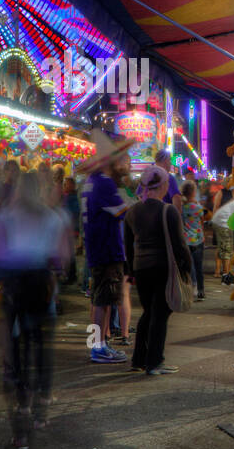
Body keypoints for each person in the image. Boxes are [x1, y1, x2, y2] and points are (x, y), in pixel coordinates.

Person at [0, 169, 71, 448]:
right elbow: (62, 257)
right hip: (41, 284)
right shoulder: (52, 217)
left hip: (13, 285)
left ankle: (21, 411)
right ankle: (40, 408)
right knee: (41, 345)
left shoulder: (5, 216)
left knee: (14, 348)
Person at [123, 166, 192, 375]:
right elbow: (180, 245)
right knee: (160, 314)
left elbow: (127, 244)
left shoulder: (132, 211)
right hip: (163, 268)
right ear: (163, 185)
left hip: (140, 269)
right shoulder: (168, 210)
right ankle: (154, 362)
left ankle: (139, 358)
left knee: (149, 312)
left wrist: (131, 271)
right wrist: (187, 269)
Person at [79, 132, 135, 363]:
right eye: (122, 160)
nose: (125, 164)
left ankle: (99, 344)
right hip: (107, 249)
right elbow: (125, 211)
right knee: (103, 301)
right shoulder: (104, 183)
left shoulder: (91, 182)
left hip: (96, 248)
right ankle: (98, 347)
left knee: (98, 300)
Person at [180, 181, 206, 300]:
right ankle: (201, 290)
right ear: (194, 193)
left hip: (186, 239)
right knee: (198, 265)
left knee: (189, 265)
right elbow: (202, 221)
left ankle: (193, 286)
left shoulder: (181, 208)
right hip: (198, 239)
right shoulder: (198, 208)